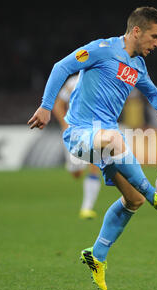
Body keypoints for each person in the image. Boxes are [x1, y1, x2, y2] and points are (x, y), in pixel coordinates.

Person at [27, 6, 157, 290]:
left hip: (104, 138)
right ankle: (155, 196)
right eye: (155, 36)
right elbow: (61, 67)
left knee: (131, 200)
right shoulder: (100, 49)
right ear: (137, 31)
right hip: (80, 133)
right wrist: (46, 107)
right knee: (115, 140)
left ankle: (96, 255)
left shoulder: (138, 66)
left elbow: (153, 93)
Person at [51, 74, 101, 220]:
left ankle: (86, 208)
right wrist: (65, 125)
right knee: (77, 172)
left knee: (94, 164)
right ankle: (75, 166)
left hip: (95, 128)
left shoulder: (102, 77)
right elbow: (58, 104)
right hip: (74, 131)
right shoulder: (73, 82)